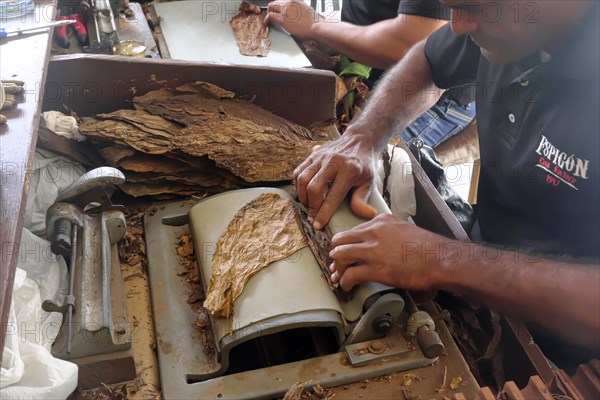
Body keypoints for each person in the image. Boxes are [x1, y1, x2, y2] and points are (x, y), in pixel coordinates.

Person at [294, 0, 600, 356]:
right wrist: (362, 138)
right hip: (483, 260)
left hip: (563, 350)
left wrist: (443, 260)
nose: (457, 26)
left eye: (477, 8)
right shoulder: (502, 24)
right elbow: (427, 57)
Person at [257, 0, 475, 147]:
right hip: (360, 55)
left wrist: (315, 25)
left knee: (346, 170)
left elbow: (412, 46)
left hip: (432, 90)